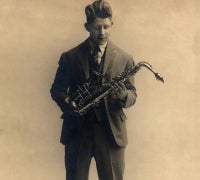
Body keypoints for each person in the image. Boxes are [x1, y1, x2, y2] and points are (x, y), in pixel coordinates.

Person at [50, 1, 137, 180]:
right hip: (78, 131)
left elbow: (132, 95)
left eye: (106, 27)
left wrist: (123, 96)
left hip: (111, 132)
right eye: (97, 27)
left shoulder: (125, 58)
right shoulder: (70, 57)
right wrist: (68, 102)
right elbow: (57, 90)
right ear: (87, 26)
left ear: (112, 24)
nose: (102, 33)